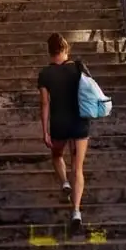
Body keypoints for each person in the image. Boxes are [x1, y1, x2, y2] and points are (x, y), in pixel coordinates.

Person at [37, 32, 90, 232]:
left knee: (57, 155)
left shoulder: (45, 74)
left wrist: (44, 131)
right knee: (78, 168)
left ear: (49, 52)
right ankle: (76, 210)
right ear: (65, 49)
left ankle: (64, 182)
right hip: (80, 123)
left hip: (59, 124)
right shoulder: (77, 68)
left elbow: (44, 103)